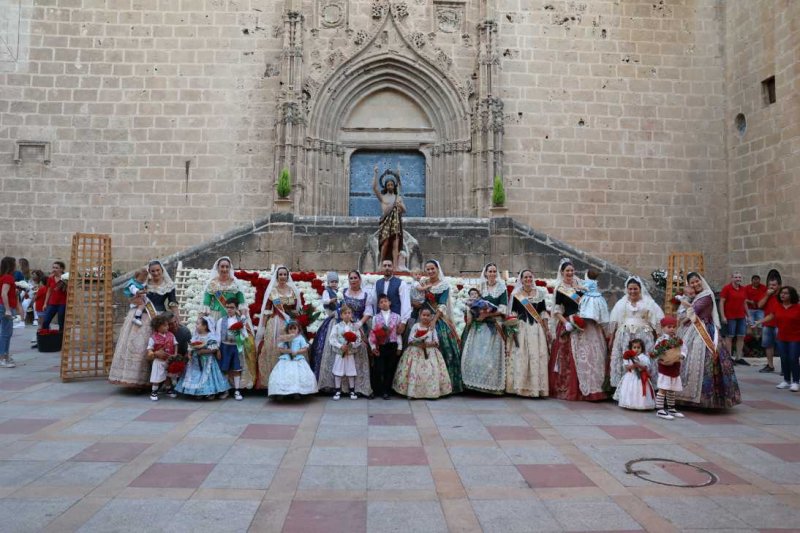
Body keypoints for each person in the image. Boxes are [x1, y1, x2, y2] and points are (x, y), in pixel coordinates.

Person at [109, 260, 180, 387]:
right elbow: (132, 296)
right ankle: (134, 380)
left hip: (157, 318)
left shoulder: (168, 285)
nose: (155, 273)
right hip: (141, 316)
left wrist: (176, 317)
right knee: (136, 346)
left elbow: (172, 302)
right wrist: (135, 299)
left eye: (158, 270)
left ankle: (154, 380)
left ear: (162, 270)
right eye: (152, 271)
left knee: (154, 347)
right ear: (149, 272)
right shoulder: (144, 283)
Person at [676, 272, 741, 409]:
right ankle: (684, 397)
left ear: (701, 280)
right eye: (692, 282)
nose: (695, 284)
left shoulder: (706, 295)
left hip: (705, 330)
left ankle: (707, 399)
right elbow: (681, 314)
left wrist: (684, 307)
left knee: (708, 361)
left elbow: (693, 311)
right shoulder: (693, 296)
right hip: (691, 330)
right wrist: (685, 304)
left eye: (697, 281)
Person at [548, 258, 608, 401]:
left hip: (586, 323)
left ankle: (594, 388)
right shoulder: (560, 289)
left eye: (571, 270)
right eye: (567, 271)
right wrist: (566, 324)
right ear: (562, 272)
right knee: (573, 358)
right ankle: (575, 389)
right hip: (570, 323)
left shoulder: (582, 284)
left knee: (592, 356)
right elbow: (557, 311)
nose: (570, 273)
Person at [317, 271, 373, 396]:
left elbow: (368, 312)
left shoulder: (365, 294)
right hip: (342, 324)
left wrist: (359, 323)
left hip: (357, 325)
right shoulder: (343, 292)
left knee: (359, 351)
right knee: (338, 354)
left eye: (355, 278)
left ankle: (358, 387)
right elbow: (337, 307)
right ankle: (339, 388)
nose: (353, 280)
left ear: (360, 279)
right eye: (351, 278)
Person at [203, 256, 256, 388]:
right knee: (216, 347)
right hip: (216, 317)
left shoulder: (235, 284)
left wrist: (243, 319)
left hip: (233, 318)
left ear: (230, 268)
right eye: (222, 266)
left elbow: (242, 303)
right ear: (218, 268)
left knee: (237, 347)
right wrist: (204, 321)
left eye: (227, 266)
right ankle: (217, 382)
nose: (225, 269)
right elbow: (206, 304)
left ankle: (235, 382)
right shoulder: (212, 284)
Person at [607, 276, 664, 390]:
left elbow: (657, 320)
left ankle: (645, 388)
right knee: (625, 360)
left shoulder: (648, 303)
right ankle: (625, 388)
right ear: (627, 289)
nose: (632, 291)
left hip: (643, 336)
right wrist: (611, 338)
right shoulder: (621, 303)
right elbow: (614, 321)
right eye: (630, 289)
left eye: (635, 289)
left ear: (640, 289)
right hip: (624, 336)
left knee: (643, 359)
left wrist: (659, 338)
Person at [461, 263, 509, 394]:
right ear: (486, 273)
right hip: (479, 324)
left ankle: (490, 385)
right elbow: (473, 302)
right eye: (490, 271)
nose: (492, 274)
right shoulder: (480, 287)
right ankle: (473, 384)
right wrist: (475, 312)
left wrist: (487, 315)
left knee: (491, 357)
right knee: (476, 354)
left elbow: (503, 308)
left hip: (494, 323)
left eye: (494, 271)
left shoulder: (502, 288)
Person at [255, 265, 302, 389]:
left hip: (290, 324)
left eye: (284, 274)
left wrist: (297, 318)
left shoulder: (293, 291)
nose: (282, 276)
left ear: (287, 276)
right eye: (280, 274)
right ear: (277, 276)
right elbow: (267, 310)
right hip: (275, 323)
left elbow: (297, 309)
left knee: (293, 349)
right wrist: (263, 328)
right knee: (275, 350)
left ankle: (292, 382)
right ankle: (275, 382)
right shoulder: (273, 292)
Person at [507, 269, 550, 398]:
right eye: (525, 277)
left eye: (530, 277)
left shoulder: (540, 294)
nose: (528, 279)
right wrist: (512, 328)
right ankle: (521, 387)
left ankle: (536, 388)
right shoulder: (517, 295)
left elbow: (543, 313)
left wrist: (547, 329)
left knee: (536, 356)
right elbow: (513, 313)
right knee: (522, 355)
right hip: (522, 329)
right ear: (521, 280)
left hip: (536, 329)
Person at [393, 307, 453, 399]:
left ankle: (431, 393)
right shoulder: (415, 326)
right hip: (415, 352)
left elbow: (436, 342)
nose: (425, 317)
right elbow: (410, 340)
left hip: (430, 353)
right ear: (420, 315)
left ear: (431, 317)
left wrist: (428, 344)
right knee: (414, 371)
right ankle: (412, 392)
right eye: (423, 315)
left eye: (428, 315)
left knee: (431, 372)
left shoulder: (432, 327)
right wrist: (418, 343)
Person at [757, 286, 800, 392]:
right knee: (784, 358)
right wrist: (759, 322)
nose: (782, 295)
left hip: (795, 337)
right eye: (781, 293)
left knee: (793, 358)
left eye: (786, 293)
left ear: (791, 295)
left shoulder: (797, 307)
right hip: (781, 337)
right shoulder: (777, 306)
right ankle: (786, 380)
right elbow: (771, 316)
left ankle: (796, 382)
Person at [175, 316, 229, 399]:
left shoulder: (210, 336)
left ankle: (211, 392)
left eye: (198, 324)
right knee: (196, 375)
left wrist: (204, 351)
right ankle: (199, 392)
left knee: (208, 376)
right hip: (195, 361)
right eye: (196, 324)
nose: (196, 326)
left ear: (205, 326)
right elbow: (191, 346)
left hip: (207, 360)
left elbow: (214, 348)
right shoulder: (196, 336)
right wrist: (189, 353)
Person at [268, 321, 318, 398]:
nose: (292, 330)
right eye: (290, 329)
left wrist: (297, 351)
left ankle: (296, 392)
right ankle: (281, 392)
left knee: (297, 375)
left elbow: (304, 349)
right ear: (287, 330)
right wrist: (288, 351)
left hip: (297, 358)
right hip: (286, 359)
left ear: (298, 329)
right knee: (283, 375)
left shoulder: (300, 338)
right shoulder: (285, 338)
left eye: (295, 328)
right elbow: (281, 349)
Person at [328, 305, 365, 400]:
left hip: (350, 353)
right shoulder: (337, 327)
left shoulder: (354, 327)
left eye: (349, 313)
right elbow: (332, 338)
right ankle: (337, 391)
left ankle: (352, 390)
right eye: (345, 313)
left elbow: (358, 339)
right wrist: (340, 346)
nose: (347, 315)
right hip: (340, 353)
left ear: (351, 315)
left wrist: (352, 344)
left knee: (350, 371)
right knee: (338, 370)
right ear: (341, 315)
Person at [369, 293, 403, 400]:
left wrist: (399, 347)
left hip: (392, 345)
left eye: (385, 301)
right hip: (380, 346)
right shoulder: (376, 318)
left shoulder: (397, 317)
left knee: (390, 368)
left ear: (390, 302)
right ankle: (376, 390)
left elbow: (398, 333)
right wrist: (373, 347)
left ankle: (386, 391)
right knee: (379, 368)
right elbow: (372, 333)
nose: (384, 303)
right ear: (379, 305)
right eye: (381, 302)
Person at [373, 165, 407, 269]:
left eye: (392, 184)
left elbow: (404, 210)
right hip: (386, 222)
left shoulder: (398, 197)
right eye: (388, 185)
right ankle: (381, 264)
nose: (390, 186)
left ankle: (395, 266)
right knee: (385, 243)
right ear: (386, 186)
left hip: (396, 222)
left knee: (395, 244)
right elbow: (374, 188)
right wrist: (375, 174)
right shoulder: (383, 197)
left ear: (394, 186)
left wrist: (399, 205)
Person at [653, 316, 686, 420]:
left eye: (674, 327)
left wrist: (682, 355)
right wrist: (662, 357)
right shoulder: (661, 340)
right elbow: (656, 351)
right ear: (663, 328)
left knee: (672, 389)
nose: (672, 329)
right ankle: (660, 409)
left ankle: (671, 408)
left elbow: (684, 349)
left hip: (675, 366)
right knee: (663, 388)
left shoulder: (678, 340)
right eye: (669, 327)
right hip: (665, 368)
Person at [372, 259, 411, 345]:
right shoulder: (377, 283)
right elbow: (374, 303)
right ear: (382, 268)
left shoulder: (401, 283)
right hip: (380, 321)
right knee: (381, 345)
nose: (387, 268)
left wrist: (403, 322)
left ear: (393, 267)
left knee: (395, 345)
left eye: (389, 266)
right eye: (385, 266)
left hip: (395, 321)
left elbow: (405, 303)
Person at [311, 272, 340, 379]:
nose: (334, 283)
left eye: (335, 281)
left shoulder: (338, 291)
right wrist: (331, 300)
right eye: (332, 281)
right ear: (328, 282)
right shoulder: (326, 291)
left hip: (339, 317)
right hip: (331, 316)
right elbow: (324, 301)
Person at [217, 301, 247, 401]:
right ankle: (225, 390)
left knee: (236, 369)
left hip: (236, 347)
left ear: (236, 308)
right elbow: (218, 335)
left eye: (232, 307)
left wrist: (240, 335)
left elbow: (245, 334)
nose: (229, 309)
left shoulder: (240, 320)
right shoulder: (221, 320)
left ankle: (237, 390)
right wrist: (218, 349)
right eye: (227, 307)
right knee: (225, 368)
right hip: (225, 347)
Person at [614, 339, 655, 411]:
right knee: (630, 389)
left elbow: (646, 367)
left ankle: (641, 404)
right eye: (634, 347)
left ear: (642, 348)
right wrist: (632, 366)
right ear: (631, 348)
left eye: (638, 347)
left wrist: (639, 365)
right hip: (631, 376)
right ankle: (630, 403)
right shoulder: (628, 357)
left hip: (641, 377)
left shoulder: (644, 357)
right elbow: (626, 367)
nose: (636, 349)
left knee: (639, 390)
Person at [720, 272, 749, 366]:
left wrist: (748, 315)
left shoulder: (743, 289)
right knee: (729, 337)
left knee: (741, 336)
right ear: (732, 278)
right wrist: (723, 316)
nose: (738, 279)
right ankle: (729, 358)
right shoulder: (726, 288)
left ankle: (738, 357)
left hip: (741, 316)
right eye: (736, 277)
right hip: (730, 316)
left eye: (739, 277)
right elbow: (721, 302)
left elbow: (744, 303)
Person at [0, 257, 24, 369]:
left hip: (6, 306)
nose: (16, 266)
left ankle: (5, 356)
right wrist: (8, 309)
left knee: (6, 333)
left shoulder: (4, 277)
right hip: (6, 307)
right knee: (6, 333)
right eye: (15, 264)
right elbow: (3, 293)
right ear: (11, 265)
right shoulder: (8, 277)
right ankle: (3, 358)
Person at [147, 314, 177, 401]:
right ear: (158, 327)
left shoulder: (171, 335)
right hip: (158, 360)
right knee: (156, 377)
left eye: (167, 325)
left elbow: (175, 344)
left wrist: (175, 353)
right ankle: (154, 392)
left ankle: (168, 390)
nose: (167, 327)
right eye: (165, 325)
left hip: (169, 360)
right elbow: (149, 348)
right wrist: (152, 353)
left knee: (167, 376)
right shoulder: (153, 337)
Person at [756, 277, 781, 373]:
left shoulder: (782, 295)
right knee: (768, 345)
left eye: (774, 285)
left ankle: (785, 367)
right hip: (767, 323)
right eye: (770, 285)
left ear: (778, 286)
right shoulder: (766, 294)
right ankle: (770, 365)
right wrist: (767, 295)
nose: (771, 287)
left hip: (779, 324)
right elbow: (759, 305)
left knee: (781, 346)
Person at [41, 261, 68, 330]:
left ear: (61, 269)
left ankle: (60, 336)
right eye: (53, 267)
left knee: (61, 322)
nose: (54, 269)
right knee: (46, 321)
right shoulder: (51, 278)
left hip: (62, 303)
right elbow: (49, 291)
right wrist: (45, 303)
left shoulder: (66, 278)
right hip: (52, 303)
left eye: (56, 268)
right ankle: (46, 334)